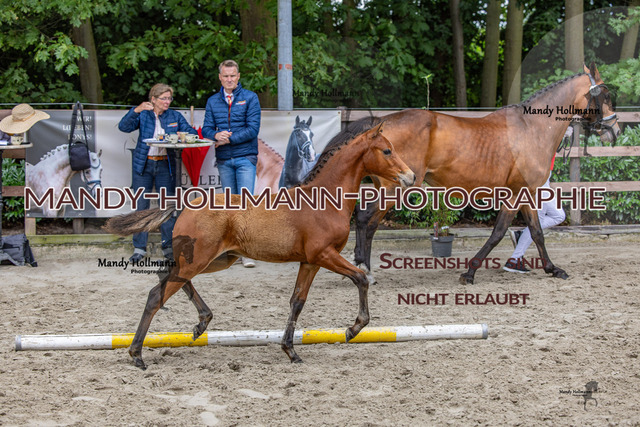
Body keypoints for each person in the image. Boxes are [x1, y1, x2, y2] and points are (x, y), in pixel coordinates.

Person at [118, 83, 198, 264]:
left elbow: (192, 133)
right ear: (153, 99)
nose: (167, 102)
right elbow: (124, 127)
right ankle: (139, 248)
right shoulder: (144, 114)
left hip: (165, 165)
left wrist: (182, 134)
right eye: (163, 99)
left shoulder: (174, 116)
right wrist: (136, 110)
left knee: (167, 207)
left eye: (169, 98)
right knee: (141, 206)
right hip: (143, 165)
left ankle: (168, 248)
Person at [202, 59, 261, 268]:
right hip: (224, 159)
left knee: (245, 204)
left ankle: (248, 252)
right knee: (229, 206)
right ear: (220, 77)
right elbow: (206, 128)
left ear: (238, 76)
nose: (229, 79)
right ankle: (232, 251)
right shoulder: (212, 101)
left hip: (246, 158)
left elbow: (253, 129)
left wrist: (229, 139)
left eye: (232, 75)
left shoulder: (250, 98)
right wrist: (215, 135)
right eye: (225, 76)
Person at [504, 130, 570, 273]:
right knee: (539, 221)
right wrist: (561, 133)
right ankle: (514, 259)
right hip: (540, 178)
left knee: (557, 216)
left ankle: (521, 237)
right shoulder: (542, 131)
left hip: (545, 176)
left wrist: (561, 134)